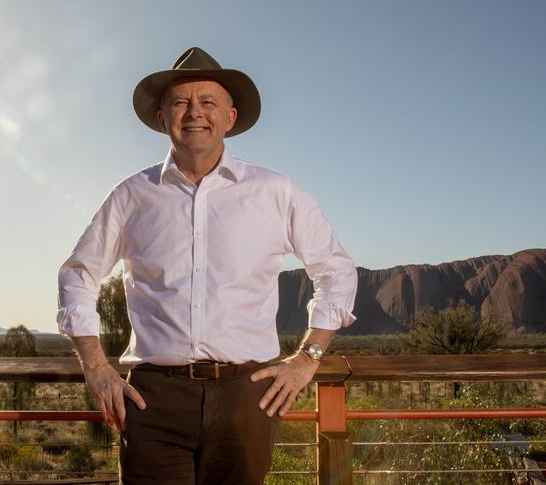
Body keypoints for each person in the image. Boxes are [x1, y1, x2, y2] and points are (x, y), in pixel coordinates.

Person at [57, 47, 358, 485]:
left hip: (248, 396)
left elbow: (336, 272)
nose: (193, 113)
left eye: (207, 102)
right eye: (180, 102)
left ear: (230, 118)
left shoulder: (277, 192)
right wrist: (96, 367)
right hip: (153, 398)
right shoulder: (131, 196)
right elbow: (78, 275)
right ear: (163, 118)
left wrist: (307, 358)